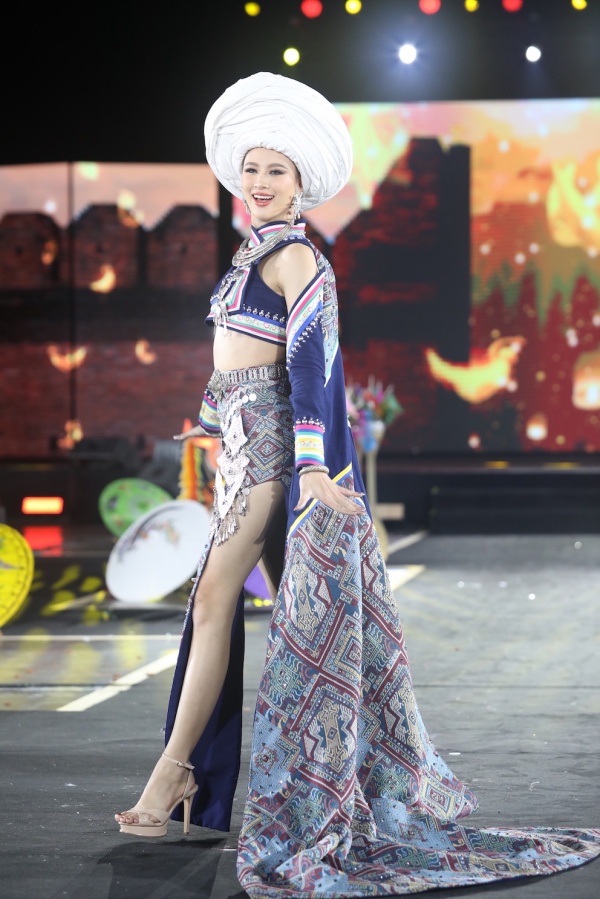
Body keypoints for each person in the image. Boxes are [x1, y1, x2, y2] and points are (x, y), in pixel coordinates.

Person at [115, 72, 600, 895]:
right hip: (242, 445)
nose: (260, 182)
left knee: (212, 603)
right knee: (257, 618)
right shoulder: (250, 256)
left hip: (276, 451)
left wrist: (311, 463)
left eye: (276, 171)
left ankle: (174, 773)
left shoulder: (299, 255)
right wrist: (207, 415)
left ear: (300, 181)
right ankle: (242, 778)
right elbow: (237, 357)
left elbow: (312, 363)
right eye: (252, 169)